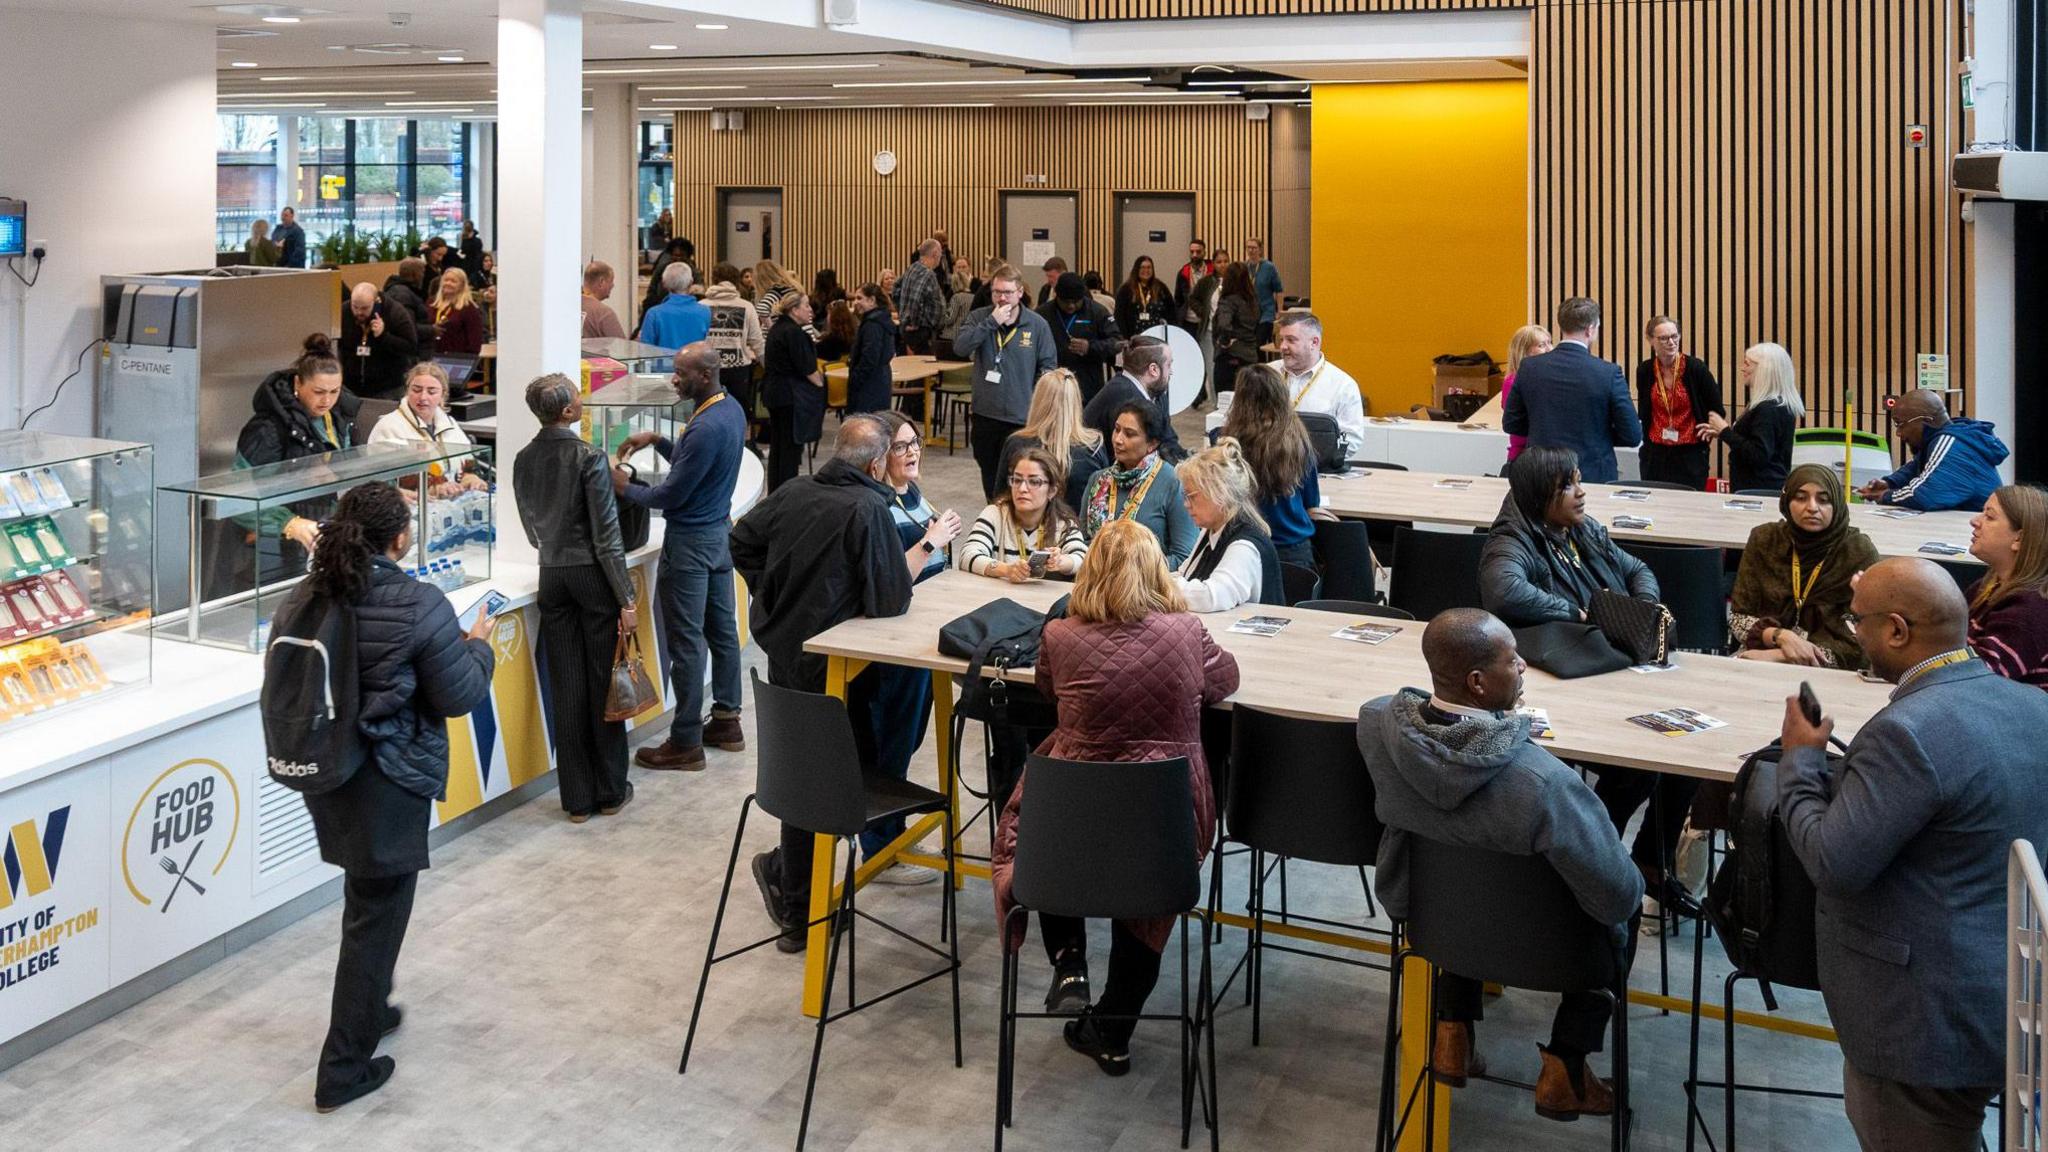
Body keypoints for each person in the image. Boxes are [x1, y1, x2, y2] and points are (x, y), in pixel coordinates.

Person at [1777, 557, 2048, 1151]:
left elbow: (1832, 862)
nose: (1856, 635)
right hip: (2008, 995)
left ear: (1897, 631)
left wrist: (1799, 761)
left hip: (1918, 1025)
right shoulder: (2035, 708)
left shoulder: (1907, 732)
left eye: (1859, 623)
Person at [1358, 608, 1641, 1121]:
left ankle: (1451, 1031)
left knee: (1467, 874)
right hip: (1554, 952)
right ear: (1478, 682)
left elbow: (1388, 703)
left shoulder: (1378, 728)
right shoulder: (1544, 784)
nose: (1524, 668)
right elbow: (1616, 896)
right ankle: (1566, 1067)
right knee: (1626, 899)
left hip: (1435, 926)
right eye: (1514, 661)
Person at [992, 519, 1239, 1074]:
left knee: (1044, 836)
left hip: (1076, 806)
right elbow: (1226, 680)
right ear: (1156, 572)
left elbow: (1047, 687)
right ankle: (1114, 1027)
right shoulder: (1186, 630)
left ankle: (1069, 959)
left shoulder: (1059, 636)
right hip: (1166, 811)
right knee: (1148, 903)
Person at [295, 481, 496, 1112]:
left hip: (329, 770)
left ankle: (371, 1009)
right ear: (402, 538)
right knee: (376, 916)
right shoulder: (420, 602)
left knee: (367, 899)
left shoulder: (308, 595)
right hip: (390, 777)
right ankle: (343, 1069)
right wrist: (479, 647)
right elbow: (459, 696)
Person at [734, 415, 917, 950]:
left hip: (786, 657)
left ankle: (796, 896)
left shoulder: (793, 491)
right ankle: (799, 903)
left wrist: (772, 593)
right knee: (833, 782)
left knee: (800, 779)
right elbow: (889, 599)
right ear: (878, 463)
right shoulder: (868, 507)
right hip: (839, 669)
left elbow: (740, 542)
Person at [1478, 445, 1689, 910]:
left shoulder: (1582, 529)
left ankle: (1649, 862)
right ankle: (1594, 862)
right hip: (1573, 679)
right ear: (1541, 496)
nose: (1582, 492)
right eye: (1569, 485)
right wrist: (1580, 611)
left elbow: (1637, 568)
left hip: (1614, 666)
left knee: (1685, 760)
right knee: (1638, 767)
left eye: (1578, 480)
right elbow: (1503, 588)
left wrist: (1642, 610)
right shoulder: (1513, 540)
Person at [611, 344, 748, 772]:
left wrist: (622, 487)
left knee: (687, 644)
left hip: (689, 545)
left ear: (704, 376)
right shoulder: (730, 410)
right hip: (718, 538)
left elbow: (670, 494)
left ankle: (685, 739)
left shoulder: (705, 426)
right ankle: (727, 719)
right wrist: (659, 440)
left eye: (680, 373)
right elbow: (698, 466)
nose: (674, 379)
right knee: (723, 631)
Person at [511, 374, 639, 822]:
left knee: (565, 686)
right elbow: (608, 539)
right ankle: (610, 789)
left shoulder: (523, 459)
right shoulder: (590, 457)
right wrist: (626, 597)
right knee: (602, 684)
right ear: (567, 410)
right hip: (591, 576)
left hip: (552, 574)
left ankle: (576, 799)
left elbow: (530, 529)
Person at [851, 412, 964, 883]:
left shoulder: (914, 495)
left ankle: (889, 835)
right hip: (889, 651)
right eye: (901, 447)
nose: (913, 452)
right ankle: (879, 850)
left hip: (922, 642)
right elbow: (888, 581)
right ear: (879, 459)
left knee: (909, 739)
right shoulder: (875, 508)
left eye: (915, 442)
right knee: (888, 747)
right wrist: (931, 543)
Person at [1729, 464, 1880, 669]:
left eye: (1823, 500)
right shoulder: (1765, 540)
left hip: (1832, 669)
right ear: (1786, 501)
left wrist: (1779, 656)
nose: (1812, 507)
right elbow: (1738, 617)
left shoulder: (1856, 551)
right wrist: (1781, 637)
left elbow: (1862, 641)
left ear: (1836, 503)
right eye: (1800, 498)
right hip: (1761, 652)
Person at [236, 335, 356, 573]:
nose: (327, 400)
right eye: (319, 391)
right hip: (276, 542)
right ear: (297, 384)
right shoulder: (267, 428)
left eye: (335, 391)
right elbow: (240, 494)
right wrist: (290, 523)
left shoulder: (341, 419)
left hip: (326, 531)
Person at [1502, 298, 1641, 485]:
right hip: (1592, 474)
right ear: (1590, 329)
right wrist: (1598, 435)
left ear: (1562, 325)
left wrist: (1545, 430)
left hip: (1542, 473)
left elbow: (1511, 424)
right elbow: (1632, 435)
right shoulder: (1608, 373)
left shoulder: (1529, 368)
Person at [955, 264, 1058, 499]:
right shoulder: (980, 318)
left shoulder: (1036, 324)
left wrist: (1036, 401)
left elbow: (1048, 366)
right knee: (990, 477)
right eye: (996, 292)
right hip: (986, 416)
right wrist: (991, 322)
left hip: (1022, 419)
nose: (1002, 298)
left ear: (1020, 292)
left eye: (1008, 292)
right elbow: (960, 348)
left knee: (1019, 477)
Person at [1219, 362, 1324, 568]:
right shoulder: (1298, 443)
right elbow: (1312, 501)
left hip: (1241, 547)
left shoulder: (1225, 445)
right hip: (1293, 549)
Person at [1083, 401, 1199, 568]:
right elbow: (1084, 544)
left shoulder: (1174, 484)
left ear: (1152, 444)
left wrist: (1135, 574)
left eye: (1129, 434)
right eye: (1117, 429)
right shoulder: (1098, 481)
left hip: (1149, 589)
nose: (1118, 439)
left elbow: (1184, 557)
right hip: (1099, 587)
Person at [1173, 439, 1284, 612]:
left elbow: (1211, 597)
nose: (1186, 504)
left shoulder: (1244, 546)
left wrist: (1160, 585)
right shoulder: (1211, 530)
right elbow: (1184, 574)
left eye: (1191, 496)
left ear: (1220, 494)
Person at [1855, 388, 2009, 512]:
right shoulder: (1945, 438)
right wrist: (1889, 483)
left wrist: (1884, 496)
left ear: (1926, 421)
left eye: (1901, 424)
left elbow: (1925, 495)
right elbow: (1917, 467)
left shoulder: (1951, 443)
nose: (1899, 433)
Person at [960, 446, 1088, 580]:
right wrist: (1006, 570)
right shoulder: (995, 514)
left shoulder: (1063, 523)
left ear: (1052, 491)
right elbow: (967, 555)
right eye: (1017, 480)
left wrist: (1062, 561)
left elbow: (1083, 560)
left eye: (1034, 482)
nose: (1022, 488)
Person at [1965, 484, 2048, 687]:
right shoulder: (1985, 588)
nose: (1974, 521)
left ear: (2018, 538)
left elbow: (1975, 681)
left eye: (1989, 517)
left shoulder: (2030, 611)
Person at [366, 362, 487, 495]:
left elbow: (467, 463)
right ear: (407, 391)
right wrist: (433, 487)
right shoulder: (388, 426)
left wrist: (469, 477)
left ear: (443, 395)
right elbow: (384, 480)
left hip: (449, 502)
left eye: (431, 392)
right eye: (416, 390)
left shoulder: (450, 423)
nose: (423, 397)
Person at [1697, 341, 1800, 493]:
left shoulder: (1768, 409)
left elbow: (1758, 455)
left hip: (1759, 488)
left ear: (1763, 369)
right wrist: (1723, 433)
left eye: (1747, 364)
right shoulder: (1774, 404)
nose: (1742, 368)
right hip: (1761, 485)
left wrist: (1725, 431)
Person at [1633, 315, 1722, 490]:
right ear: (1651, 340)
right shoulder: (1645, 370)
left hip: (1690, 454)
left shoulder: (1696, 369)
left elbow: (1716, 407)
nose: (1671, 342)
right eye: (1664, 338)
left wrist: (1710, 431)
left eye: (1675, 336)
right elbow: (1645, 410)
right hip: (1655, 453)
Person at [1000, 368, 1107, 514]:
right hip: (1079, 531)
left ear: (1037, 400)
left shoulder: (1017, 444)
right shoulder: (1093, 447)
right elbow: (1103, 500)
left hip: (1025, 530)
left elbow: (1001, 497)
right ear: (1076, 402)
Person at [1271, 313, 1367, 461]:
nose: (1283, 347)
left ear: (1314, 343)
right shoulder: (1265, 374)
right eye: (1281, 339)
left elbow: (1350, 440)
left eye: (1291, 340)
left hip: (1317, 471)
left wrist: (1303, 459)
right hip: (1266, 468)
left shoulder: (1342, 385)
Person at [1082, 335, 1182, 464]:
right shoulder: (1126, 398)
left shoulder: (1155, 394)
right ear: (1153, 370)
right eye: (1169, 365)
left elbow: (1168, 440)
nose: (1171, 372)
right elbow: (1141, 458)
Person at [761, 292, 823, 492]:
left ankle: (776, 491)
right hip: (790, 396)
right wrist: (822, 385)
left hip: (774, 392)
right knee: (789, 449)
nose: (810, 310)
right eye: (806, 306)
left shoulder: (776, 329)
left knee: (778, 448)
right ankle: (787, 492)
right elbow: (809, 370)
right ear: (794, 310)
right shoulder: (794, 333)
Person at [1038, 271, 1122, 404]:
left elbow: (1116, 342)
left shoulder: (1097, 312)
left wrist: (1090, 347)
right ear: (1057, 296)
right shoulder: (1043, 314)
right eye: (1066, 302)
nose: (1071, 306)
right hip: (1053, 388)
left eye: (1076, 301)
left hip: (1087, 387)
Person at [702, 264, 765, 421]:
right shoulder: (747, 307)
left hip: (708, 368)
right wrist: (767, 366)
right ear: (737, 282)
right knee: (738, 413)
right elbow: (757, 341)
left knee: (708, 412)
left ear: (714, 280)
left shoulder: (701, 306)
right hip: (738, 369)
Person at [339, 282, 420, 401]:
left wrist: (384, 336)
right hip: (351, 386)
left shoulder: (395, 312)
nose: (359, 312)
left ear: (376, 302)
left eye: (364, 308)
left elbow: (411, 347)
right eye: (355, 306)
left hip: (387, 387)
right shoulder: (344, 310)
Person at [1500, 323, 1554, 465]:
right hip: (1523, 455)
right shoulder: (1512, 381)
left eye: (1550, 342)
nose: (1550, 349)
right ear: (1525, 351)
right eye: (1542, 345)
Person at [846, 281, 899, 414]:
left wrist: (855, 379)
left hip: (868, 385)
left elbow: (869, 356)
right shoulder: (883, 320)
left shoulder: (872, 325)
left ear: (872, 300)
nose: (855, 303)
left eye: (859, 298)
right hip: (881, 380)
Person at [1209, 262, 1259, 393]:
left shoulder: (1228, 301)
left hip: (1230, 357)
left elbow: (1224, 324)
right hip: (1250, 356)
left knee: (1226, 403)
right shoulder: (1252, 300)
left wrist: (1225, 341)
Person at [639, 263, 711, 351]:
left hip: (663, 364)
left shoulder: (654, 314)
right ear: (691, 282)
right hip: (695, 363)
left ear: (664, 284)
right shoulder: (706, 312)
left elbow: (645, 350)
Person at [898, 238, 947, 356]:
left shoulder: (912, 268)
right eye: (940, 256)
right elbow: (916, 298)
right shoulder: (927, 273)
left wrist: (903, 312)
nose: (940, 260)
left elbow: (896, 289)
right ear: (935, 254)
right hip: (921, 330)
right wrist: (913, 322)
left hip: (911, 328)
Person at [382, 259, 435, 356]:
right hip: (413, 354)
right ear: (415, 274)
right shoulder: (402, 295)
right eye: (422, 272)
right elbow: (407, 327)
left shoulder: (400, 291)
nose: (423, 276)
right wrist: (432, 330)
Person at [1114, 255, 1173, 339]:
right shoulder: (1125, 290)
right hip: (1133, 337)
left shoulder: (1161, 288)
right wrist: (1125, 338)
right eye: (1142, 267)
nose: (1146, 270)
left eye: (1149, 267)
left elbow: (1171, 312)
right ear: (1136, 269)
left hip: (1157, 337)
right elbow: (1119, 316)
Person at [431, 268, 485, 357]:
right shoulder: (431, 303)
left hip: (456, 359)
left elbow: (475, 342)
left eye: (453, 281)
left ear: (461, 285)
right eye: (446, 280)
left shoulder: (469, 308)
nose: (448, 283)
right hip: (431, 358)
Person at [642, 236, 697, 316]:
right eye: (675, 255)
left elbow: (698, 293)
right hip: (660, 309)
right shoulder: (662, 268)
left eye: (682, 256)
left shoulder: (694, 272)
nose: (678, 259)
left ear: (688, 257)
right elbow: (652, 291)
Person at [1243, 238, 1284, 345]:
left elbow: (1279, 290)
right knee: (1251, 344)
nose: (1251, 250)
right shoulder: (1243, 267)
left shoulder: (1269, 267)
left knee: (1259, 341)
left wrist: (1279, 311)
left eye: (1254, 248)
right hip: (1249, 313)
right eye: (1249, 248)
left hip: (1266, 313)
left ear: (1260, 250)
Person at [581, 260, 627, 340]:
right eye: (611, 281)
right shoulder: (604, 313)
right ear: (601, 282)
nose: (613, 285)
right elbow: (622, 348)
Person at [752, 261, 801, 330]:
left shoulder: (776, 291)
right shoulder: (794, 289)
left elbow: (761, 309)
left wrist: (773, 330)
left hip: (781, 336)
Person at [1173, 239, 1212, 319]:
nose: (1194, 255)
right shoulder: (1183, 273)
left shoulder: (1212, 271)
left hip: (1208, 319)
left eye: (1198, 252)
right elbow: (1178, 299)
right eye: (1192, 252)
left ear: (1205, 253)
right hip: (1188, 320)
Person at [455, 220, 485, 285]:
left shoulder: (472, 240)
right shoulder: (465, 238)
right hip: (468, 263)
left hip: (472, 263)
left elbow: (465, 251)